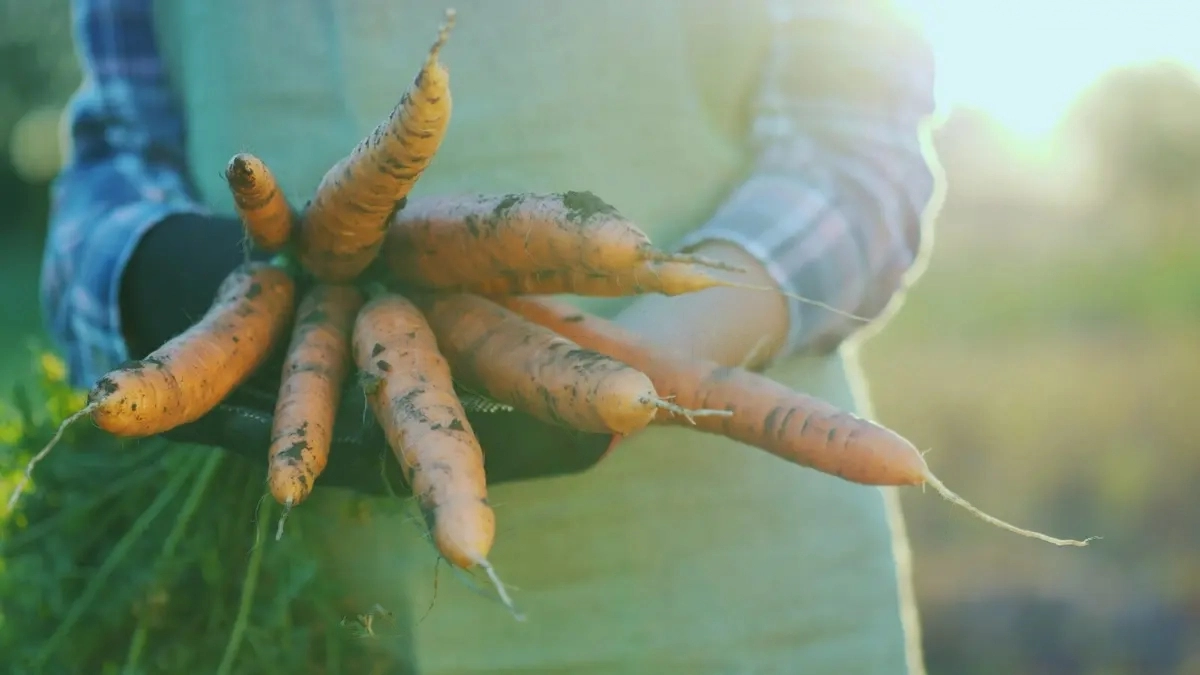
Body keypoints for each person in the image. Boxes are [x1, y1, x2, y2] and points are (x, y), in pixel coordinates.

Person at [40, 0, 942, 672]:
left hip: (731, 595)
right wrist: (168, 287)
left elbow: (852, 144)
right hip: (284, 602)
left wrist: (645, 352)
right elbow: (117, 156)